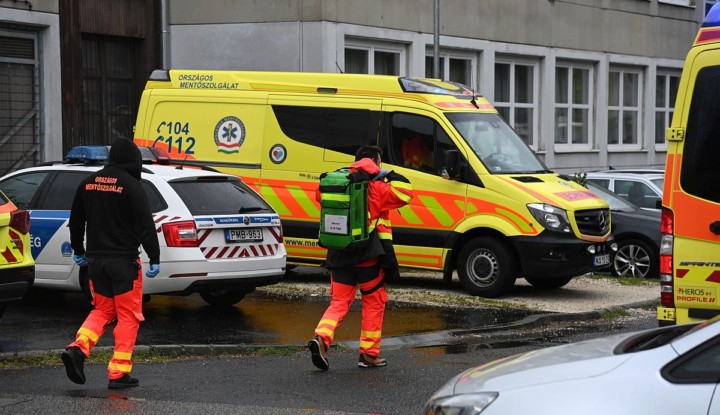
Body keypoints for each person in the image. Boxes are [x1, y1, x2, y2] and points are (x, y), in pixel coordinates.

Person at [61, 138, 161, 389]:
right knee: (128, 317)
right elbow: (146, 226)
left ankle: (78, 348)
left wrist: (78, 250)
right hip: (124, 264)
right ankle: (118, 372)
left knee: (103, 311)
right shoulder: (132, 186)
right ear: (133, 160)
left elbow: (76, 222)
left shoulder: (88, 183)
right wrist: (155, 257)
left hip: (96, 263)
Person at [309, 145, 413, 370]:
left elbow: (319, 195)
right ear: (375, 163)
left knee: (339, 302)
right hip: (368, 258)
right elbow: (406, 192)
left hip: (338, 253)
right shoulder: (376, 187)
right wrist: (387, 174)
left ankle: (321, 338)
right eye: (380, 162)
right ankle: (368, 354)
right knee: (374, 302)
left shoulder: (338, 182)